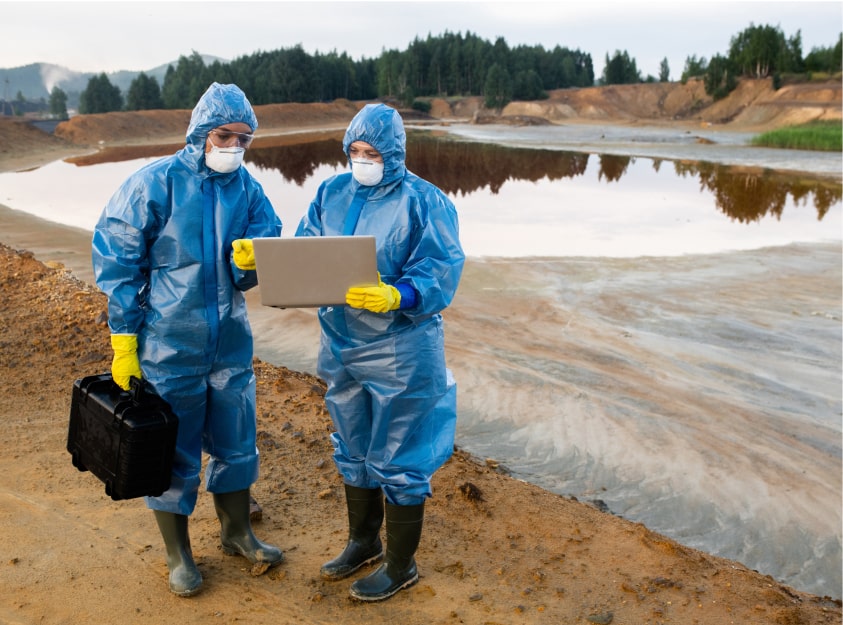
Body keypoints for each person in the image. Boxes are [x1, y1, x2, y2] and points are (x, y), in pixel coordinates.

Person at [92, 82, 283, 597]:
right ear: (201, 132)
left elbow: (268, 246)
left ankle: (238, 532)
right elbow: (118, 262)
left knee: (237, 442)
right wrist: (125, 341)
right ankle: (179, 554)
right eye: (225, 136)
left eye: (244, 139)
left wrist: (253, 261)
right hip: (169, 345)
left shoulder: (247, 188)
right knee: (172, 453)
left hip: (230, 344)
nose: (234, 148)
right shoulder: (153, 184)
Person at [295, 103, 465, 601]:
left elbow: (441, 266)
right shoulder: (331, 192)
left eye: (372, 152)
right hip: (341, 338)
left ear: (394, 153)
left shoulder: (424, 201)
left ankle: (400, 564)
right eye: (354, 151)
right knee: (352, 441)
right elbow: (307, 252)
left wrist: (402, 295)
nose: (361, 160)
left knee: (400, 452)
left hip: (401, 346)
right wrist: (264, 261)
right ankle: (363, 542)